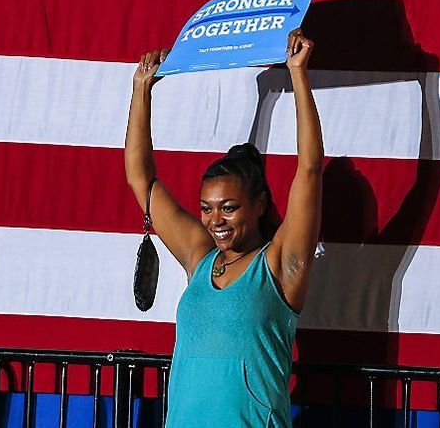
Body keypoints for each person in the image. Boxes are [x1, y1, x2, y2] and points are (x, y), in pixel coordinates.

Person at [124, 29, 324, 427]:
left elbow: (309, 168)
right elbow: (141, 179)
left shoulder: (280, 264)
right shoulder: (201, 257)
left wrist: (298, 74)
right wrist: (142, 88)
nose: (216, 220)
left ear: (260, 205)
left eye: (229, 208)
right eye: (207, 209)